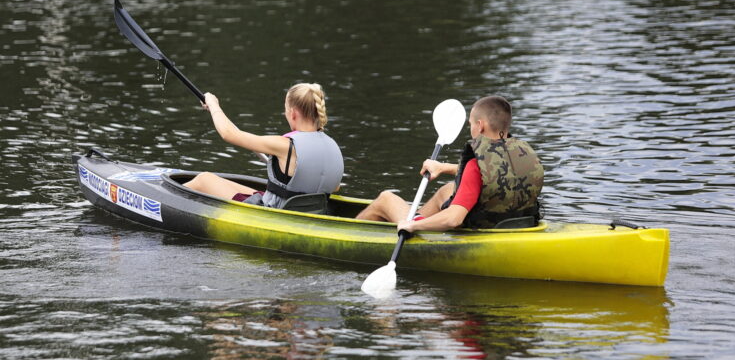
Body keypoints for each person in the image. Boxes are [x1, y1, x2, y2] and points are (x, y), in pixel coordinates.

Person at [355, 95, 543, 231]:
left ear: (480, 125)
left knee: (385, 199)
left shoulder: (476, 164)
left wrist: (413, 226)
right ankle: (414, 216)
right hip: (516, 223)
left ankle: (356, 234)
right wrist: (442, 167)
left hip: (477, 228)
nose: (471, 128)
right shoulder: (523, 153)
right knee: (447, 189)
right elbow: (492, 174)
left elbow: (454, 219)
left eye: (470, 124)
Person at [184, 83, 344, 208]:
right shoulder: (333, 147)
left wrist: (213, 105)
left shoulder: (285, 146)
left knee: (204, 179)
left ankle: (162, 202)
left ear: (293, 113)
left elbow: (228, 134)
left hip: (275, 213)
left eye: (286, 110)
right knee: (250, 190)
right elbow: (334, 187)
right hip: (306, 210)